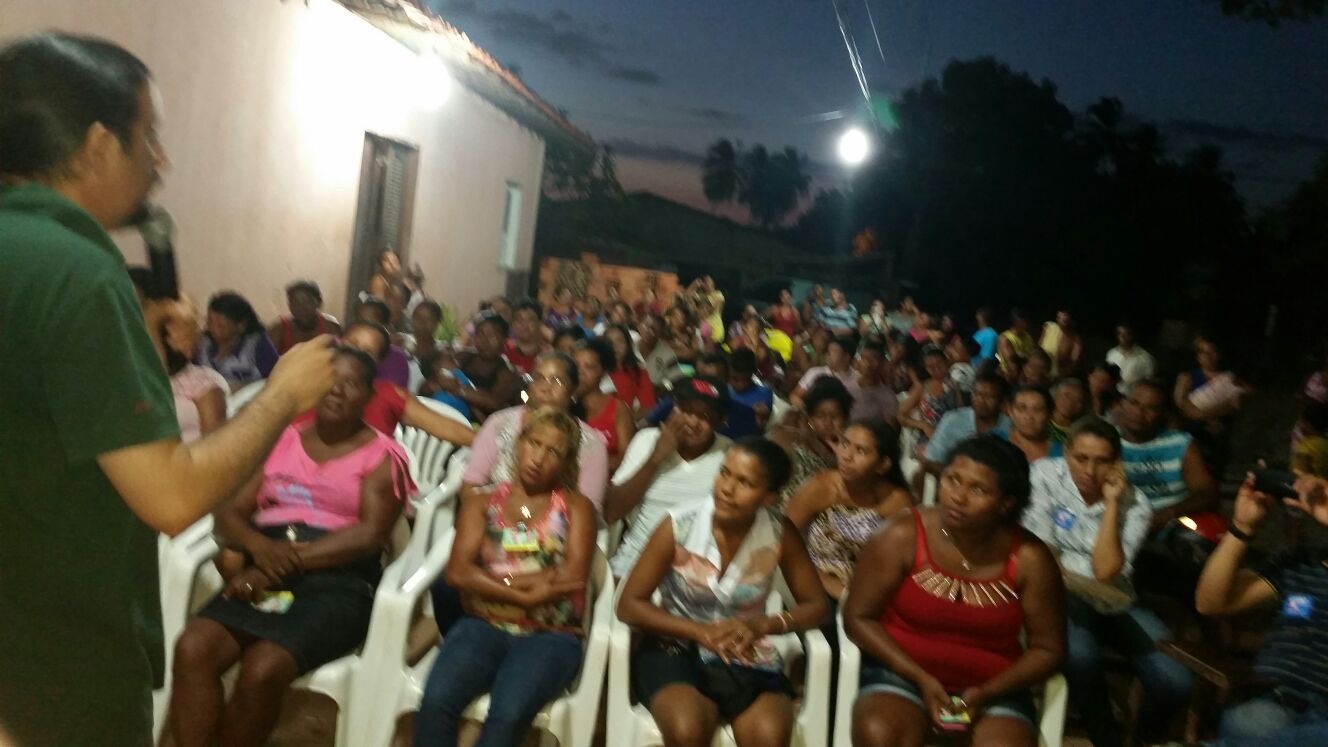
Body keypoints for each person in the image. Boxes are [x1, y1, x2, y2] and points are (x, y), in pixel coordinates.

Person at [0, 34, 341, 744]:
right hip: (52, 664)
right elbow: (171, 494)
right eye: (149, 136)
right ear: (99, 146)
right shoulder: (79, 273)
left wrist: (146, 341)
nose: (162, 160)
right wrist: (282, 395)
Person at [168, 347, 414, 747]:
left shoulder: (385, 456)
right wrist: (260, 549)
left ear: (369, 396)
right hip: (266, 566)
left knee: (263, 667)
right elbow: (228, 514)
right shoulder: (281, 440)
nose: (337, 390)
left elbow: (369, 535)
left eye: (351, 383)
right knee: (193, 647)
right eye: (330, 381)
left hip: (339, 581)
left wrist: (276, 564)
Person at [845, 436, 1065, 747]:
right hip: (903, 674)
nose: (958, 497)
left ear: (1006, 503)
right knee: (879, 733)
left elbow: (1049, 649)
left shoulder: (1030, 559)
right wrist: (919, 677)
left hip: (994, 687)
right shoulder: (903, 534)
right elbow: (858, 617)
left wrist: (987, 692)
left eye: (978, 490)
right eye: (953, 480)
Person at [616, 438, 830, 747]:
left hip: (742, 653)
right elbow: (629, 605)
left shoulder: (778, 533)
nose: (727, 488)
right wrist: (699, 632)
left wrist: (762, 625)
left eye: (745, 482)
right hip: (674, 647)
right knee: (688, 731)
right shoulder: (680, 525)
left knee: (770, 736)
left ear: (769, 497)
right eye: (725, 473)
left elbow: (817, 606)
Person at [414, 408, 596, 747]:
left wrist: (489, 578)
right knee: (437, 701)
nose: (538, 458)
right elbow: (458, 572)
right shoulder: (481, 503)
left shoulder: (576, 507)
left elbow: (572, 578)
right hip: (484, 623)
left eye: (553, 451)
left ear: (567, 461)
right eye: (534, 443)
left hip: (550, 634)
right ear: (518, 444)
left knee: (507, 716)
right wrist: (524, 591)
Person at [1022, 418, 1191, 747]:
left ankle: (1141, 738)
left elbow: (1105, 571)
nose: (1089, 470)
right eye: (1081, 458)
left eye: (1102, 461)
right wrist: (1066, 574)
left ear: (1117, 462)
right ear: (1066, 453)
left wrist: (1112, 503)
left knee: (1176, 681)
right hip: (1057, 595)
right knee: (1080, 655)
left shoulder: (1135, 503)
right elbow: (1043, 555)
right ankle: (1107, 739)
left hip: (1113, 599)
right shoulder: (1043, 475)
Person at [1195, 472, 1328, 746]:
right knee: (1251, 724)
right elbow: (1211, 603)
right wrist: (1242, 527)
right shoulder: (1302, 561)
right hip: (1277, 699)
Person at [605, 376, 734, 576]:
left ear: (720, 421)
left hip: (694, 569)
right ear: (674, 408)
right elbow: (611, 512)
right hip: (636, 558)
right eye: (686, 410)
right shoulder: (647, 441)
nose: (692, 422)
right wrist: (656, 458)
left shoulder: (728, 455)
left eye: (705, 416)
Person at [462, 352, 610, 511]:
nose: (546, 388)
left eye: (557, 380)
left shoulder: (591, 446)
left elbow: (588, 512)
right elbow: (470, 487)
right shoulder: (499, 424)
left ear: (573, 390)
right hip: (493, 517)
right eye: (539, 378)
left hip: (557, 525)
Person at [786, 420, 913, 603]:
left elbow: (903, 559)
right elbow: (783, 539)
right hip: (815, 583)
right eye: (845, 444)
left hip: (870, 591)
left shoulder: (896, 500)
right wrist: (831, 585)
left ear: (883, 465)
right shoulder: (821, 487)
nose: (846, 456)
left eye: (861, 451)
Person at [1118, 378, 1218, 529]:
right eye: (1134, 403)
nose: (1139, 412)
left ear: (1162, 414)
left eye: (1150, 408)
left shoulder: (1180, 443)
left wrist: (1167, 515)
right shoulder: (1106, 442)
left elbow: (1207, 494)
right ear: (1123, 404)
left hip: (1173, 527)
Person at [769, 375, 854, 509]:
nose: (827, 423)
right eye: (820, 416)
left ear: (845, 418)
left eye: (834, 416)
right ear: (810, 417)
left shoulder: (851, 444)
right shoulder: (790, 437)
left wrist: (841, 456)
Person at [1174, 334, 1248, 480]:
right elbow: (1183, 405)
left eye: (1212, 352)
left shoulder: (1231, 379)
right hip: (1191, 436)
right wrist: (1207, 418)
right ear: (1197, 356)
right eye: (1203, 352)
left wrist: (1206, 415)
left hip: (1217, 438)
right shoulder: (1187, 377)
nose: (1208, 356)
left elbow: (1235, 405)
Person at [922, 373, 1012, 472]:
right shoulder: (953, 420)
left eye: (989, 397)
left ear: (1002, 402)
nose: (980, 400)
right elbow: (931, 461)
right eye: (976, 394)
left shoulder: (1010, 427)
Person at [574, 338, 636, 472]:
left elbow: (627, 459)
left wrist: (586, 465)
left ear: (603, 372)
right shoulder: (565, 403)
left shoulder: (619, 409)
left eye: (589, 367)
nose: (580, 373)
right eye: (576, 366)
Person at [198, 291, 279, 391]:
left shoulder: (257, 344)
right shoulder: (203, 344)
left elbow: (276, 380)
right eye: (209, 321)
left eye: (220, 325)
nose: (212, 328)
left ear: (241, 325)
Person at [898, 345, 967, 456]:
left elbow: (962, 413)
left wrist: (956, 388)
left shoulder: (958, 382)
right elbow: (900, 415)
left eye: (940, 363)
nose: (936, 369)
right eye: (931, 366)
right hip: (929, 440)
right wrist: (923, 425)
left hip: (954, 438)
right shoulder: (923, 387)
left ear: (946, 362)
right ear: (926, 368)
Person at [456, 311, 522, 423]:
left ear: (504, 340)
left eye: (492, 336)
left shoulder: (509, 373)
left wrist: (457, 389)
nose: (485, 341)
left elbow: (495, 402)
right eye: (480, 334)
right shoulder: (463, 357)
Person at [268, 280, 342, 355]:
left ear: (319, 302)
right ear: (289, 305)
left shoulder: (330, 328)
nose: (301, 308)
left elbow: (340, 357)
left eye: (308, 302)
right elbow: (266, 359)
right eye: (295, 303)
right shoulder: (279, 330)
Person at [993, 385, 1063, 463]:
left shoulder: (1060, 454)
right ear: (1010, 411)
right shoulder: (994, 441)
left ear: (1049, 415)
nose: (1028, 417)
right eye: (1021, 408)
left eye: (1037, 410)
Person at [354, 296, 412, 388]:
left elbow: (391, 391)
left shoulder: (396, 358)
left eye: (370, 322)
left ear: (385, 326)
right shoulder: (348, 350)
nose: (363, 326)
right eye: (359, 320)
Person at [790, 335, 856, 409]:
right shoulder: (815, 373)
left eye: (834, 351)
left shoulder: (857, 379)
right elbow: (795, 396)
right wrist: (809, 411)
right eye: (828, 351)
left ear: (846, 356)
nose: (829, 354)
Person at [605, 323, 657, 415]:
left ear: (628, 344)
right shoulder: (597, 370)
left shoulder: (639, 372)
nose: (615, 346)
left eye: (620, 341)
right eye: (610, 342)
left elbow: (648, 408)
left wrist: (627, 419)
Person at [419, 347, 475, 421]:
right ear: (437, 368)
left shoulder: (459, 374)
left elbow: (473, 395)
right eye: (451, 360)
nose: (456, 363)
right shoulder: (440, 398)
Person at [1105, 323, 1155, 393]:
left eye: (1126, 333)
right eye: (1119, 333)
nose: (1122, 337)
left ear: (1133, 335)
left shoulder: (1146, 358)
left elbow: (1149, 382)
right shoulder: (1111, 353)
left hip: (1132, 396)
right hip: (1112, 394)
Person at [504, 298, 548, 376]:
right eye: (519, 320)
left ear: (540, 323)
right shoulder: (503, 350)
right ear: (512, 323)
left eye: (530, 320)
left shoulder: (548, 355)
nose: (524, 325)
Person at [637, 313, 681, 388]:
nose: (649, 332)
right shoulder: (628, 342)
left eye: (654, 331)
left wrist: (659, 388)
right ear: (639, 325)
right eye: (647, 326)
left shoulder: (669, 356)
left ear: (660, 335)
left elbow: (677, 383)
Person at [1039, 309, 1082, 376]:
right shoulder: (1049, 327)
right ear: (1057, 317)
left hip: (1056, 373)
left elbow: (1073, 362)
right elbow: (1040, 346)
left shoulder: (1075, 339)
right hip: (1039, 365)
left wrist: (1061, 374)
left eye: (1066, 315)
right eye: (1062, 314)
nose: (1064, 317)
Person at [1047, 376, 1088, 444]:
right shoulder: (1041, 424)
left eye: (1078, 400)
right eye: (1066, 395)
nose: (1070, 402)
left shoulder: (1080, 433)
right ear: (1055, 394)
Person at [997, 308, 1036, 375]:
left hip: (1026, 374)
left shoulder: (1028, 337)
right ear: (1016, 322)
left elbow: (1033, 356)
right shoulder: (1005, 338)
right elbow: (1011, 363)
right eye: (1024, 321)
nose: (1026, 324)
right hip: (1009, 375)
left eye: (1027, 321)